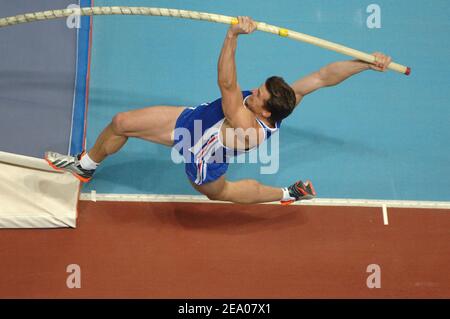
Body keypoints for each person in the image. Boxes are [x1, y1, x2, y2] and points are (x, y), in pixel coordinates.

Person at [45, 16, 392, 205]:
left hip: (202, 154)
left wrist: (232, 37)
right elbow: (322, 76)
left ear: (266, 113)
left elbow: (226, 85)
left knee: (222, 193)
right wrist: (365, 62)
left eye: (258, 94)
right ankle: (85, 166)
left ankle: (287, 194)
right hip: (191, 122)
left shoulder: (245, 124)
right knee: (121, 122)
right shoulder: (287, 100)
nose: (253, 91)